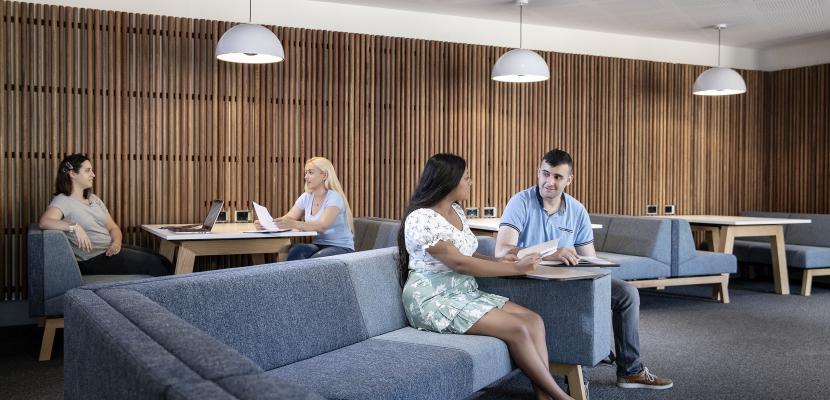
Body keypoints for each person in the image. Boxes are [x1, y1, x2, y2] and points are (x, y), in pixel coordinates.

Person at [398, 153, 574, 400]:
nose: (471, 182)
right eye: (466, 178)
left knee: (534, 321)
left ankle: (544, 397)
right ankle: (560, 397)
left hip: (462, 292)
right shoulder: (421, 218)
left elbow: (469, 254)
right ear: (449, 181)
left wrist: (500, 261)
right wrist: (516, 268)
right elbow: (459, 263)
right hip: (432, 298)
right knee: (518, 328)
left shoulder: (457, 212)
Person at [495, 148, 673, 390]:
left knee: (626, 294)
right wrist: (551, 253)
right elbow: (503, 251)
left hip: (570, 278)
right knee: (582, 299)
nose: (549, 182)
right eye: (545, 174)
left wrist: (594, 270)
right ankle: (579, 378)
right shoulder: (520, 202)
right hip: (530, 281)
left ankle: (630, 370)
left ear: (569, 180)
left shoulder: (577, 210)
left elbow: (589, 259)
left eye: (557, 177)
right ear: (538, 172)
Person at [38, 154, 172, 276]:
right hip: (93, 259)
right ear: (73, 174)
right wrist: (74, 226)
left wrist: (117, 242)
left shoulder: (94, 199)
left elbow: (113, 227)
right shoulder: (63, 200)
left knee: (163, 260)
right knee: (158, 265)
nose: (93, 174)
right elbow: (45, 222)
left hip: (109, 251)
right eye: (87, 170)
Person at [258, 157, 355, 260]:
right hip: (319, 245)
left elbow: (322, 226)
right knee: (296, 250)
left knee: (315, 260)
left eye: (310, 173)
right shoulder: (307, 197)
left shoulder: (334, 197)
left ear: (324, 175)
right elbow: (289, 218)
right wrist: (268, 224)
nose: (306, 177)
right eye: (305, 173)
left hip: (341, 247)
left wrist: (295, 224)